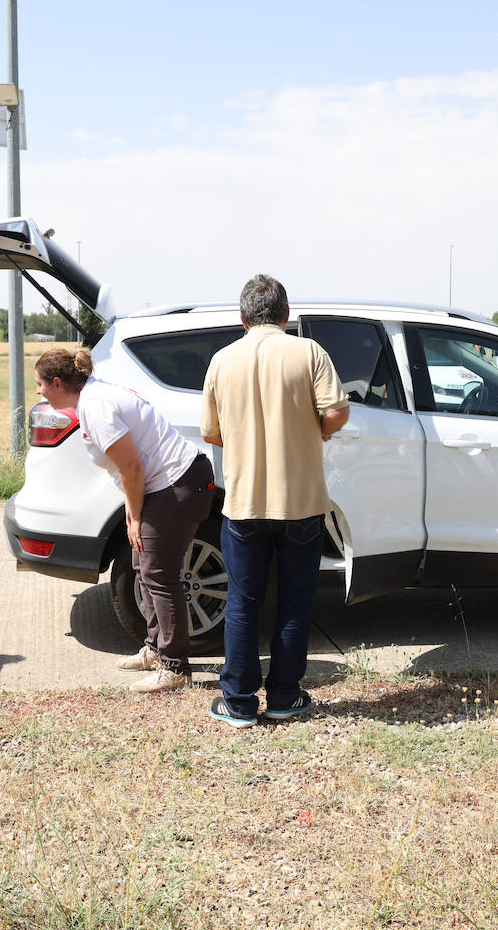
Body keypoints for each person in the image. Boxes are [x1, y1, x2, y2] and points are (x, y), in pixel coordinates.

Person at [200, 274, 349, 728]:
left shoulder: (222, 360)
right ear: (286, 315)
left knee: (243, 602)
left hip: (243, 503)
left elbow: (210, 431)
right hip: (301, 502)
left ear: (242, 318)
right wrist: (319, 430)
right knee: (295, 600)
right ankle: (284, 696)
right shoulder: (308, 352)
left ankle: (239, 702)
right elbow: (336, 411)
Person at [35, 347, 216, 692]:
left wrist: (133, 517)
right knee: (141, 564)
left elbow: (132, 468)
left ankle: (175, 668)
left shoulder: (96, 406)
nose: (39, 392)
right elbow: (130, 470)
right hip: (166, 486)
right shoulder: (94, 397)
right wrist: (135, 515)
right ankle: (154, 648)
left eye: (40, 385)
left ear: (57, 383)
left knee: (160, 574)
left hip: (179, 484)